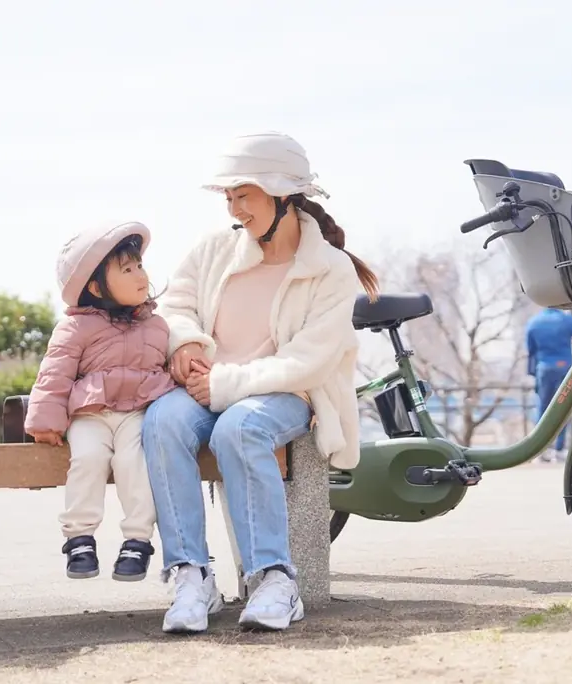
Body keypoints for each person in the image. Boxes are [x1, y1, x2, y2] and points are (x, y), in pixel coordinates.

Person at [142, 131, 380, 634]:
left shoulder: (330, 269)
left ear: (282, 195)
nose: (234, 209)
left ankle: (274, 579)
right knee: (162, 421)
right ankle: (192, 575)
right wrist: (183, 343)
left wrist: (227, 384)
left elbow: (309, 361)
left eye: (242, 195)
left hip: (287, 395)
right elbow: (176, 305)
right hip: (208, 388)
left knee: (240, 429)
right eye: (229, 197)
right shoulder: (214, 250)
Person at [25, 222, 175, 582]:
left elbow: (173, 370)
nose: (141, 274)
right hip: (91, 414)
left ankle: (137, 541)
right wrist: (46, 422)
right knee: (88, 458)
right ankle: (79, 538)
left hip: (137, 413)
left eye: (139, 265)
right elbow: (54, 375)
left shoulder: (157, 326)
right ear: (95, 286)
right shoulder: (76, 328)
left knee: (133, 462)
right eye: (127, 269)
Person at [526, 307, 572, 462]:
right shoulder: (566, 320)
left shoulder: (534, 322)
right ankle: (559, 450)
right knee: (563, 407)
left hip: (543, 368)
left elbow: (531, 351)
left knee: (542, 408)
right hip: (564, 367)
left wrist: (533, 372)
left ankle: (539, 449)